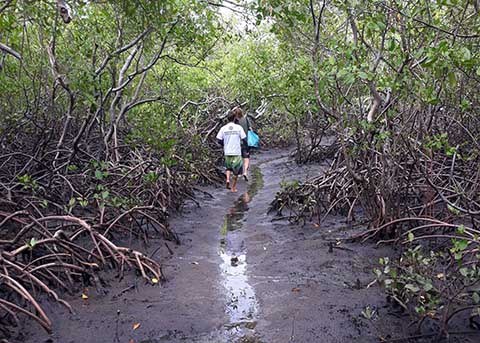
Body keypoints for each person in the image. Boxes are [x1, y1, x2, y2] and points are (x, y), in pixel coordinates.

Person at [216, 111, 247, 192]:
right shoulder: (238, 128)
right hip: (236, 152)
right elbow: (244, 139)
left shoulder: (223, 128)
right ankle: (233, 187)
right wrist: (245, 147)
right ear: (234, 118)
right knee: (236, 172)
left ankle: (227, 180)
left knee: (228, 168)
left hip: (227, 152)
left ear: (227, 118)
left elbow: (218, 140)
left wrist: (224, 145)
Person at [232, 107, 251, 181]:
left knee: (238, 158)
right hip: (245, 141)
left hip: (237, 142)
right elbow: (250, 129)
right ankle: (245, 172)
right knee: (246, 158)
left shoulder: (235, 121)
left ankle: (238, 174)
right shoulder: (246, 119)